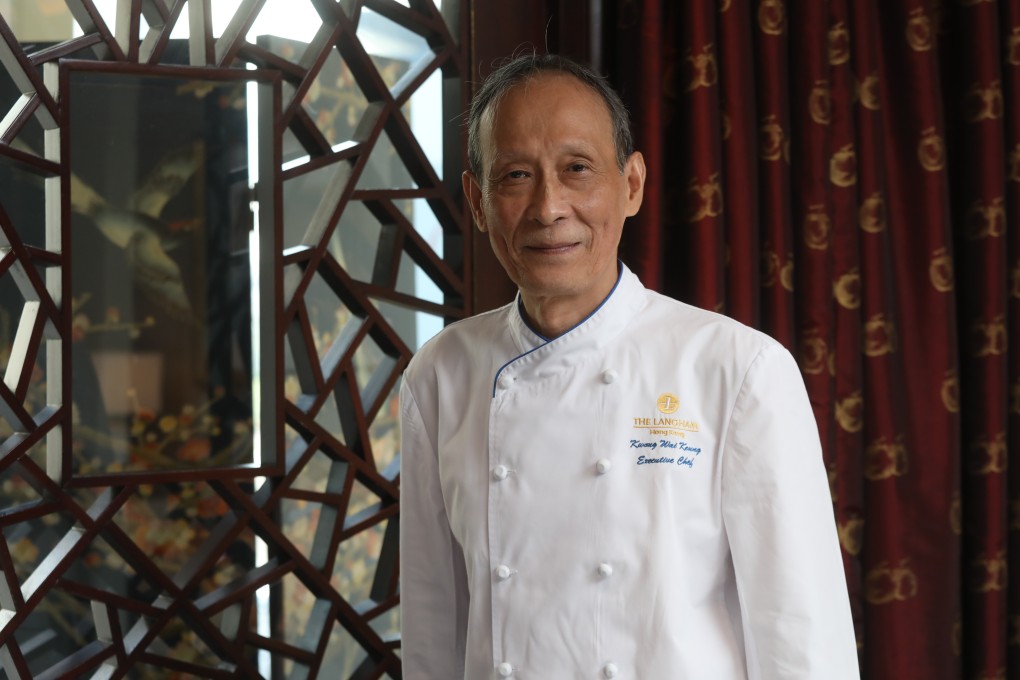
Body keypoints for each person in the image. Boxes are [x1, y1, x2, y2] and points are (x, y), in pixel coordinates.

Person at [399, 53, 859, 679]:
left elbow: (802, 640)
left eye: (577, 168)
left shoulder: (738, 370)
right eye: (514, 176)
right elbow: (432, 629)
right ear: (477, 202)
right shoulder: (439, 376)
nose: (548, 207)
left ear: (633, 184)